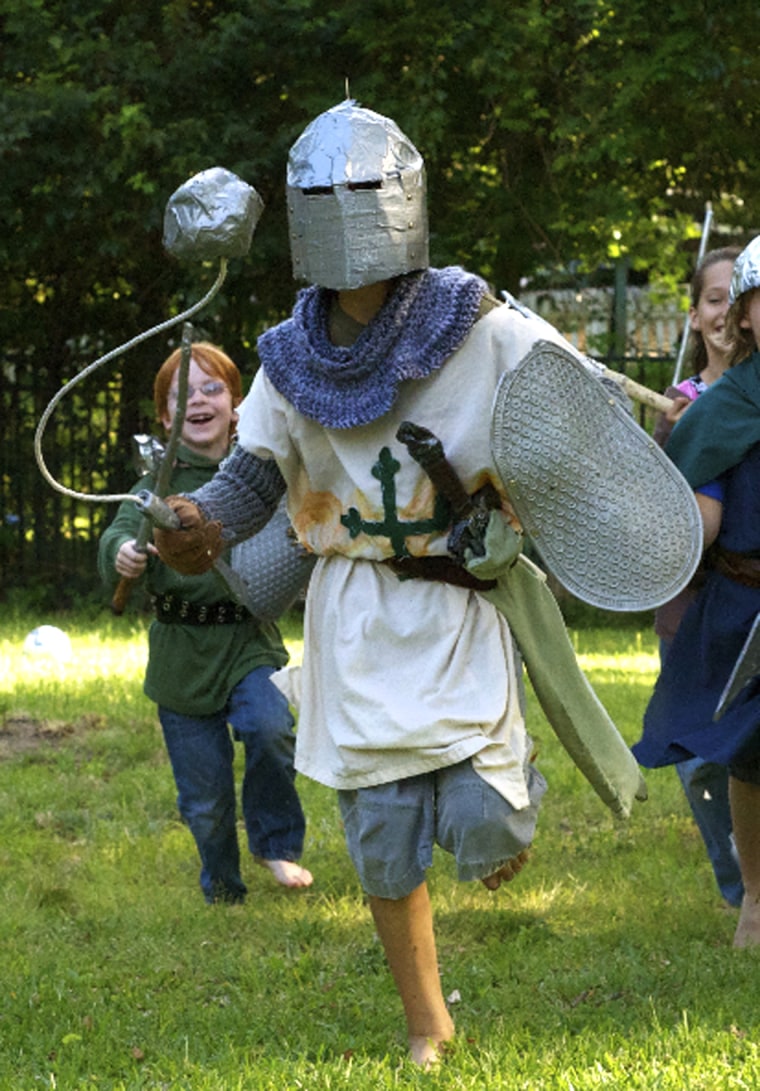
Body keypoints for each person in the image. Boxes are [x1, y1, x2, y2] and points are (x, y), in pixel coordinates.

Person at [151, 102, 650, 1065]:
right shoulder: (286, 357)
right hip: (355, 617)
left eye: (365, 188)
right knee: (381, 835)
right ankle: (428, 1020)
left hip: (456, 601)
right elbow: (253, 477)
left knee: (486, 820)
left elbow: (566, 411)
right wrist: (202, 524)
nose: (350, 209)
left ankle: (505, 821)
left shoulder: (479, 320)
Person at [98, 342, 313, 904]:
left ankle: (276, 845)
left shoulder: (266, 469)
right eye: (182, 395)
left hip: (248, 640)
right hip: (181, 655)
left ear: (236, 404)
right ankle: (221, 884)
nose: (199, 400)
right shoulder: (155, 483)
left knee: (270, 729)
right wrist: (123, 552)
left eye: (211, 388)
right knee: (205, 795)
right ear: (166, 418)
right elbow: (119, 534)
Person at [633, 235, 760, 947]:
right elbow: (698, 525)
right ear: (743, 315)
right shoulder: (721, 408)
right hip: (746, 609)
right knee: (752, 756)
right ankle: (755, 899)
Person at [651, 247, 743, 910]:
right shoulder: (683, 407)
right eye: (711, 298)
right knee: (704, 753)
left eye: (729, 297)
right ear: (698, 315)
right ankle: (739, 883)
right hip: (695, 601)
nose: (721, 311)